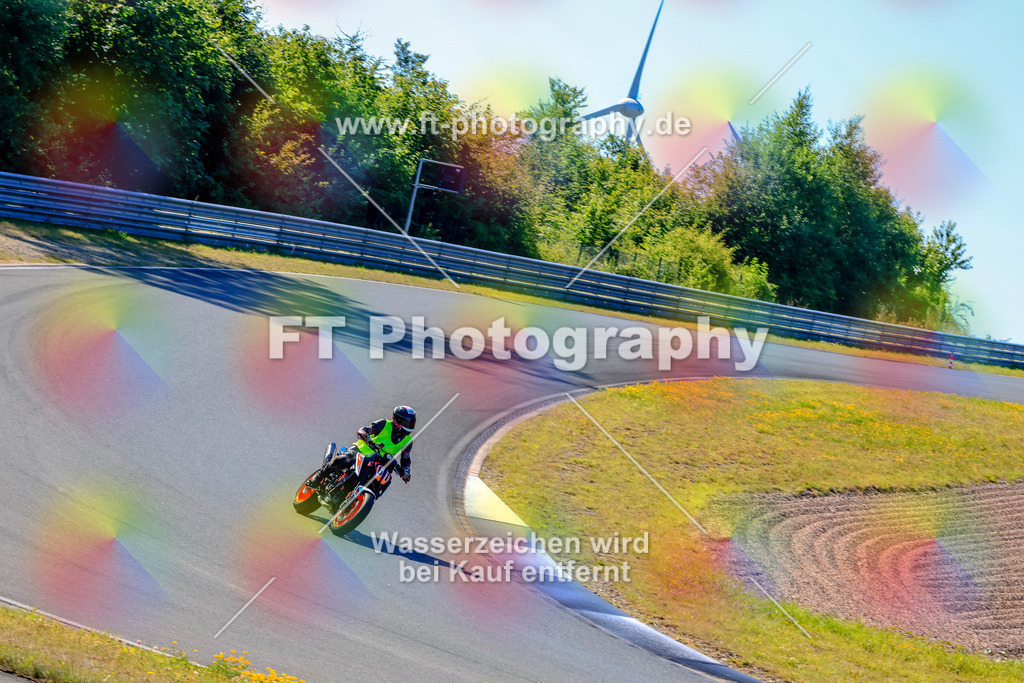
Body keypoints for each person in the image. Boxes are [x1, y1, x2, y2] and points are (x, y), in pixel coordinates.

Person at [320, 406, 416, 489]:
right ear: (397, 420)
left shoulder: (408, 440)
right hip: (361, 451)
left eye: (412, 423)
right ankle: (317, 479)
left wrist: (406, 471)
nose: (410, 426)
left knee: (381, 482)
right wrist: (365, 436)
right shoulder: (384, 424)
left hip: (382, 463)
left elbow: (405, 458)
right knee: (342, 460)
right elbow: (365, 430)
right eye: (407, 423)